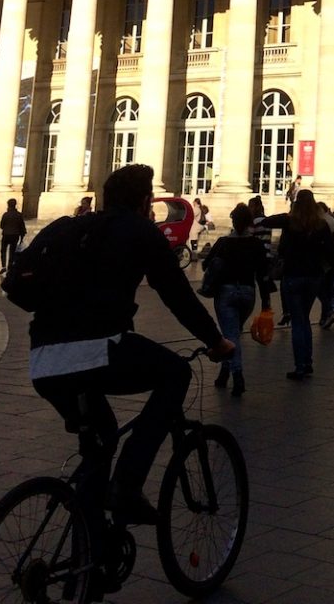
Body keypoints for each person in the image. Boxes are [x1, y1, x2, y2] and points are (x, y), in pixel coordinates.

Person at [28, 163, 231, 525]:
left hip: (42, 360)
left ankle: (88, 554)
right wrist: (215, 340)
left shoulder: (71, 228)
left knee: (101, 439)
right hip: (96, 350)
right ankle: (127, 485)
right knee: (176, 374)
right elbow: (176, 294)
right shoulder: (138, 230)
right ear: (144, 201)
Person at [262, 188, 334, 380]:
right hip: (313, 277)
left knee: (298, 322)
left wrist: (288, 213)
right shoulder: (321, 225)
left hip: (293, 275)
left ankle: (301, 365)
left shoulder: (290, 221)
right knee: (305, 320)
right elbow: (331, 250)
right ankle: (307, 362)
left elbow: (266, 221)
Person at [202, 203, 272, 397]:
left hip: (226, 293)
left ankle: (238, 376)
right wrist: (266, 301)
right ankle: (224, 374)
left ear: (233, 220)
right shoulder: (256, 245)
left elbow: (205, 264)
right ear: (250, 223)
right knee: (233, 332)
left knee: (231, 335)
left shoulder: (223, 242)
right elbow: (263, 275)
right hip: (248, 293)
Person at [316, 201, 334, 330]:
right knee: (328, 288)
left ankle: (328, 312)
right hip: (333, 259)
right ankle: (324, 317)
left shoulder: (320, 222)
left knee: (318, 287)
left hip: (322, 260)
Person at [0, 197, 26, 274]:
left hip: (6, 234)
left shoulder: (5, 214)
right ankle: (10, 266)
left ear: (8, 205)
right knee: (12, 251)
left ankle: (3, 266)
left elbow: (1, 225)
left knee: (3, 251)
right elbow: (22, 226)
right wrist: (22, 236)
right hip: (15, 235)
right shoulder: (19, 215)